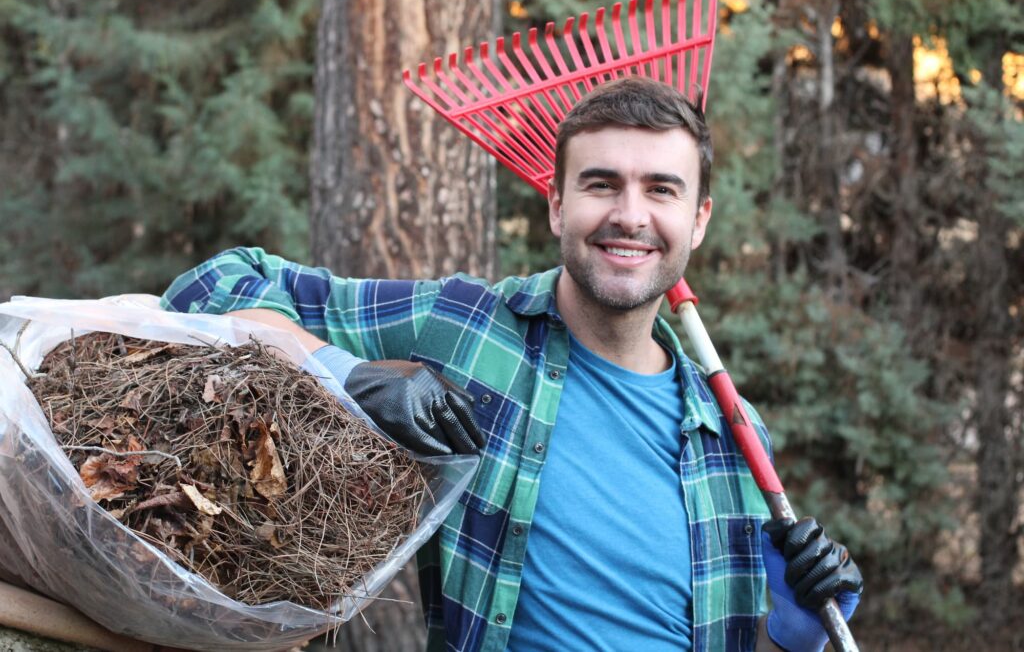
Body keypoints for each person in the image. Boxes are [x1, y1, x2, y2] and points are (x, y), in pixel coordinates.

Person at [161, 77, 862, 652]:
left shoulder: (736, 441)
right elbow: (210, 288)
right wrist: (350, 376)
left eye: (660, 189)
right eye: (601, 184)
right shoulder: (469, 331)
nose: (629, 214)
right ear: (556, 205)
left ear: (699, 219)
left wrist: (797, 631)